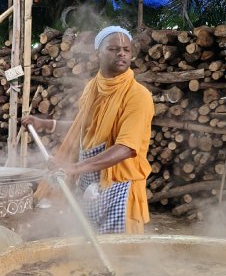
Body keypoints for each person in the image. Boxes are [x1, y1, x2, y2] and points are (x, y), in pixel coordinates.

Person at [23, 26, 154, 234]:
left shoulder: (138, 96)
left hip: (120, 189)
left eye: (126, 49)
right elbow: (82, 128)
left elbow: (126, 148)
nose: (121, 53)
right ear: (97, 53)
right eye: (113, 48)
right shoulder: (92, 88)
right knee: (87, 255)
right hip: (89, 187)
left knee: (123, 258)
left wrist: (74, 168)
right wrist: (45, 124)